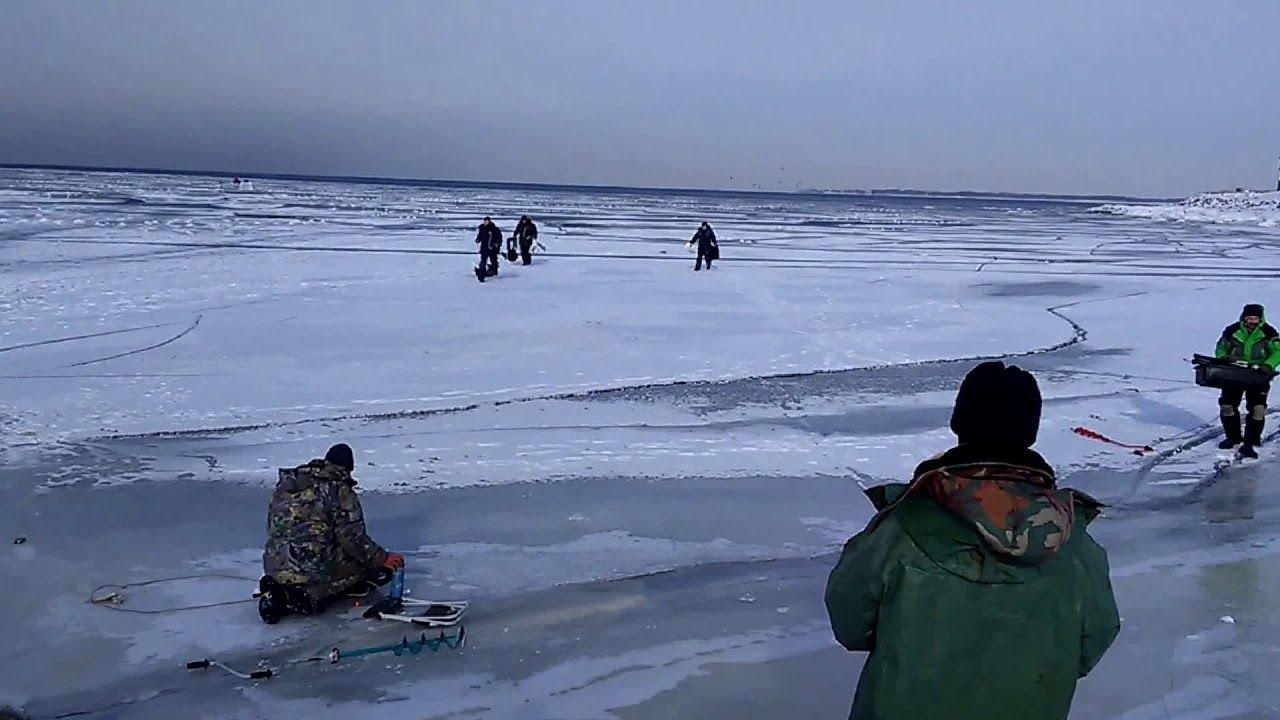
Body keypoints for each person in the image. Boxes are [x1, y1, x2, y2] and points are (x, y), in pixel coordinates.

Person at [824, 361, 1120, 720]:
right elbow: (1092, 640)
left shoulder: (902, 528)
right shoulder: (1073, 544)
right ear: (1029, 432)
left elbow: (851, 624)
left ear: (959, 424)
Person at [259, 443, 405, 623]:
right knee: (373, 570)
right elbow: (353, 538)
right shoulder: (337, 489)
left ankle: (282, 586)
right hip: (310, 569)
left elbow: (273, 527)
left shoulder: (286, 487)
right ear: (348, 468)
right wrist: (382, 558)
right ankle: (305, 594)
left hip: (275, 563)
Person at [1214, 303, 1280, 458]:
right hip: (1234, 373)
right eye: (1249, 318)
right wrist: (1223, 358)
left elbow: (1278, 352)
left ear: (1260, 319)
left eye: (1255, 318)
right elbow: (1221, 347)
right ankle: (1233, 437)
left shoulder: (1269, 333)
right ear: (1244, 318)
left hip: (1258, 374)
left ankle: (1251, 441)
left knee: (1257, 409)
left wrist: (1268, 365)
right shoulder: (1232, 330)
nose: (1252, 321)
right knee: (1227, 406)